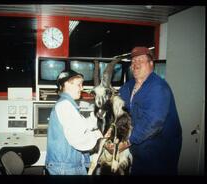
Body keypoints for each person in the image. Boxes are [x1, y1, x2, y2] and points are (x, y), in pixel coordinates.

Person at [118, 46, 182, 175]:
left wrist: (127, 142)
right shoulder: (128, 86)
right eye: (133, 61)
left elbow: (153, 122)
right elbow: (120, 112)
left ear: (151, 64)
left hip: (159, 151)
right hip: (139, 150)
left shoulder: (158, 87)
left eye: (141, 60)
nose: (136, 64)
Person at [45, 69, 103, 175]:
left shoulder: (67, 104)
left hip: (68, 165)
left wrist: (97, 116)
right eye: (79, 84)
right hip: (65, 168)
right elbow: (79, 141)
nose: (82, 88)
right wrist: (97, 136)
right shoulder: (65, 106)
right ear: (67, 84)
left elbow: (83, 125)